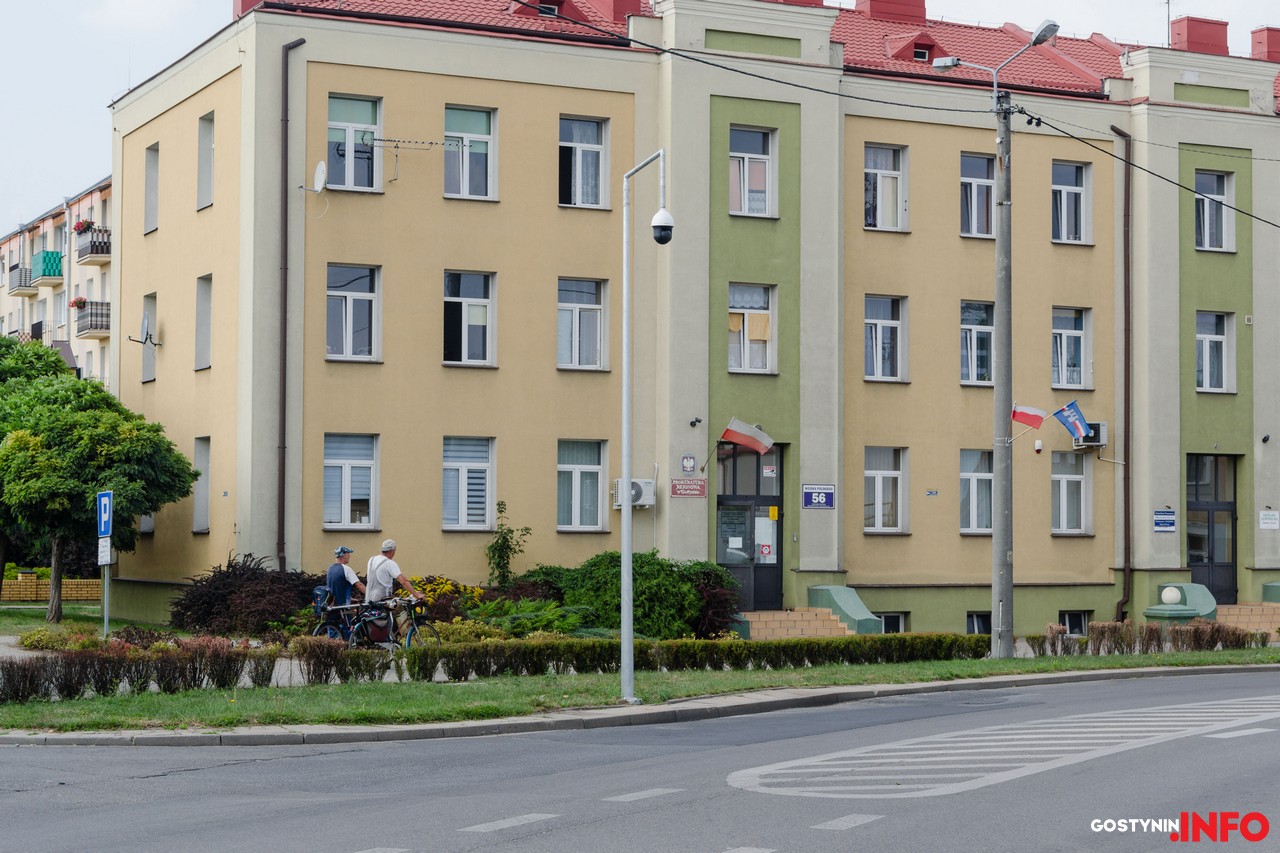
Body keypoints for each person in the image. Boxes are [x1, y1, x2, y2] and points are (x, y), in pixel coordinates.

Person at [365, 539, 425, 604]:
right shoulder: (389, 563)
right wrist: (417, 595)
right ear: (392, 551)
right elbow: (403, 581)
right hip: (382, 599)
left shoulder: (371, 559)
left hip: (368, 597)